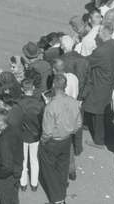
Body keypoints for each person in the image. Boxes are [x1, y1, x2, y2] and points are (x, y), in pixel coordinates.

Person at [38, 74, 82, 204]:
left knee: (49, 171)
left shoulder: (50, 107)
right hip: (66, 140)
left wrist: (43, 141)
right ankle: (62, 191)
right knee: (62, 168)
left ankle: (58, 200)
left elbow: (47, 131)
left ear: (52, 86)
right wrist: (68, 131)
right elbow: (78, 124)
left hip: (52, 142)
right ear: (65, 86)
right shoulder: (74, 102)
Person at [0, 108, 22, 204]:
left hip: (6, 177)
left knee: (5, 200)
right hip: (17, 170)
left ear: (1, 122)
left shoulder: (4, 140)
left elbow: (7, 166)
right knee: (13, 198)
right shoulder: (13, 129)